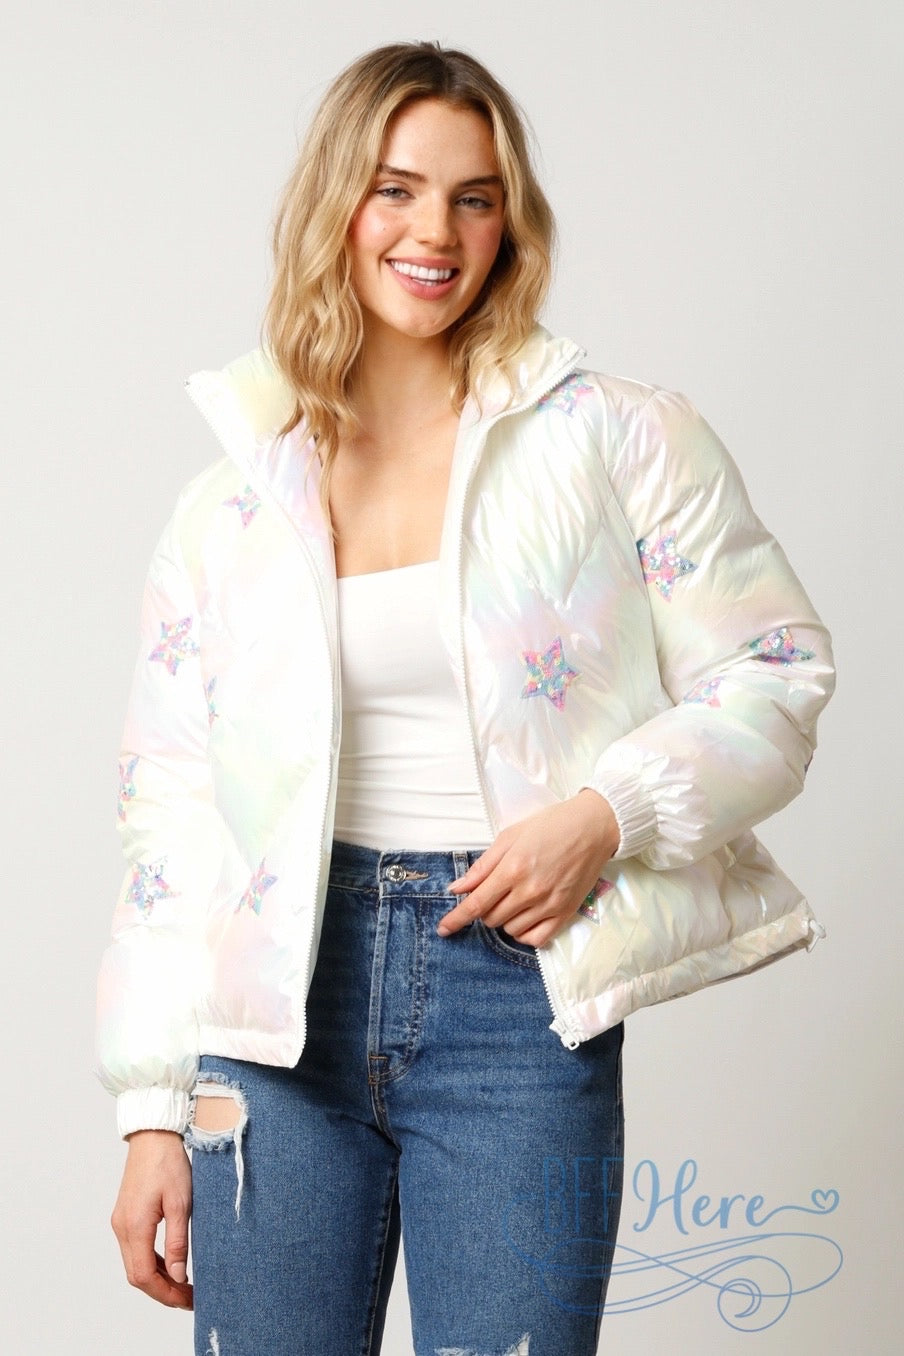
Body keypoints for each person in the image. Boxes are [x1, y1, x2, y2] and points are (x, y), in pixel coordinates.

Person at [96, 41, 834, 1356]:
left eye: (474, 197)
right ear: (336, 204)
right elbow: (173, 816)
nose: (435, 232)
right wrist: (153, 1106)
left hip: (513, 1006)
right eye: (396, 189)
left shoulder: (615, 437)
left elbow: (774, 669)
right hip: (270, 1023)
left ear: (510, 222)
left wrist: (604, 815)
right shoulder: (231, 507)